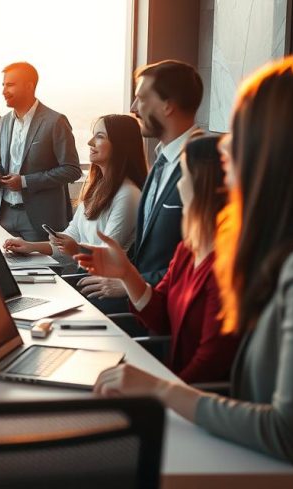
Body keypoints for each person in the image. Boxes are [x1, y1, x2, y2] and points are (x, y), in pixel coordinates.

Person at [82, 56, 293, 485]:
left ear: (286, 147)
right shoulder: (292, 243)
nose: (226, 147)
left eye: (243, 131)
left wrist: (160, 390)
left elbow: (292, 434)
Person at [76, 135, 237, 383]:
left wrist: (155, 389)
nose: (178, 186)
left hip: (191, 398)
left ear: (206, 185)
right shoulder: (187, 250)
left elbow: (210, 364)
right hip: (171, 386)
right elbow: (159, 317)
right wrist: (127, 274)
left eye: (183, 176)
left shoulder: (227, 267)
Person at [78, 60, 202, 306]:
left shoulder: (202, 166)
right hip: (145, 303)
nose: (134, 108)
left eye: (142, 98)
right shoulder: (162, 161)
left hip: (171, 310)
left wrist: (129, 283)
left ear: (168, 106)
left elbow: (202, 260)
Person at [4, 114, 145, 266]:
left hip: (101, 283)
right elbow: (72, 235)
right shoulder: (97, 187)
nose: (90, 142)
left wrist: (76, 250)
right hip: (88, 274)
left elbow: (109, 255)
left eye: (100, 136)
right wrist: (30, 246)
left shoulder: (128, 194)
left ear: (120, 144)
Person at [0, 62, 82, 241]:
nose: (3, 91)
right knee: (4, 268)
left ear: (29, 86)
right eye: (3, 85)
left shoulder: (55, 121)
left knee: (42, 269)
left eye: (10, 85)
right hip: (4, 213)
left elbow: (72, 170)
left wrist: (25, 182)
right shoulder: (4, 122)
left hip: (40, 219)